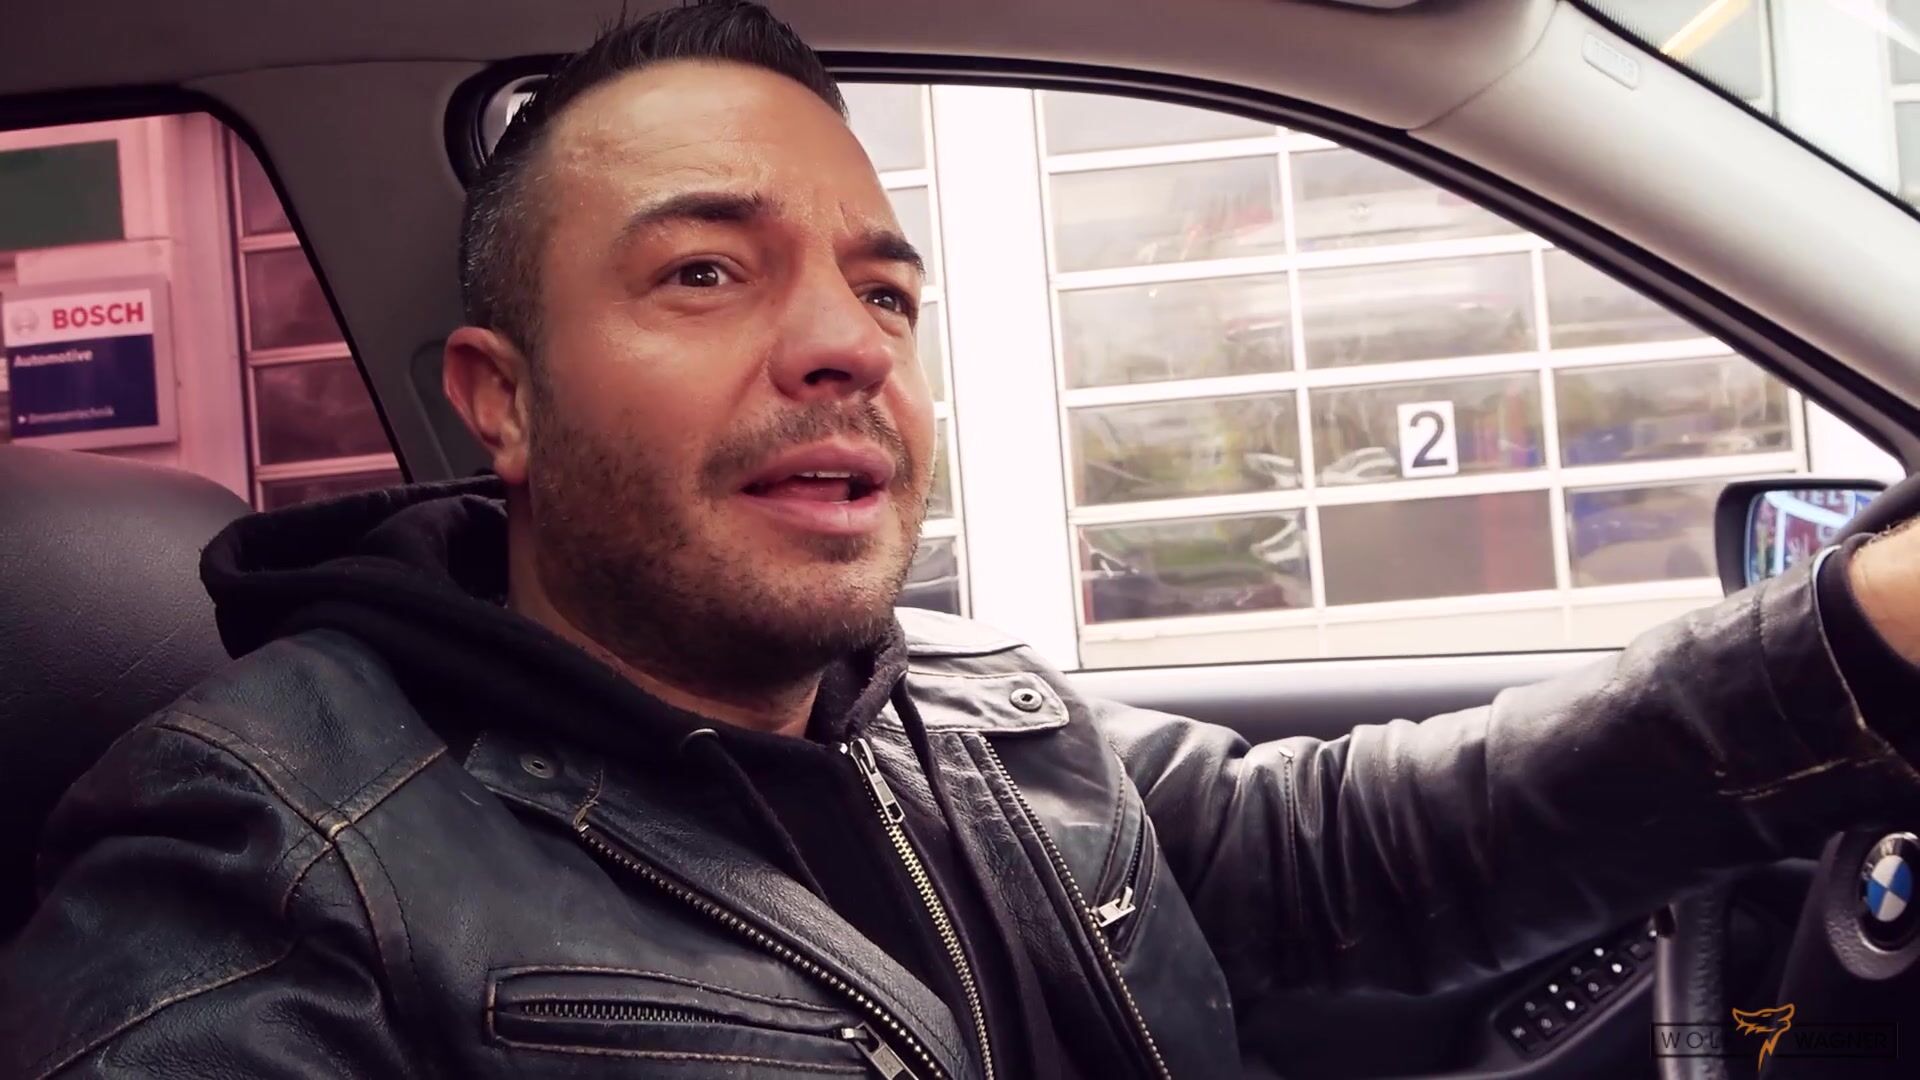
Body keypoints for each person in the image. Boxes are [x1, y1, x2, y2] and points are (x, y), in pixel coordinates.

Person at [5, 2, 1920, 1076]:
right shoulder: (262, 860)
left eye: (884, 289)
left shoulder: (980, 724)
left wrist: (1860, 635)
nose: (846, 341)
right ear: (501, 401)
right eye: (705, 271)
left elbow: (1377, 853)